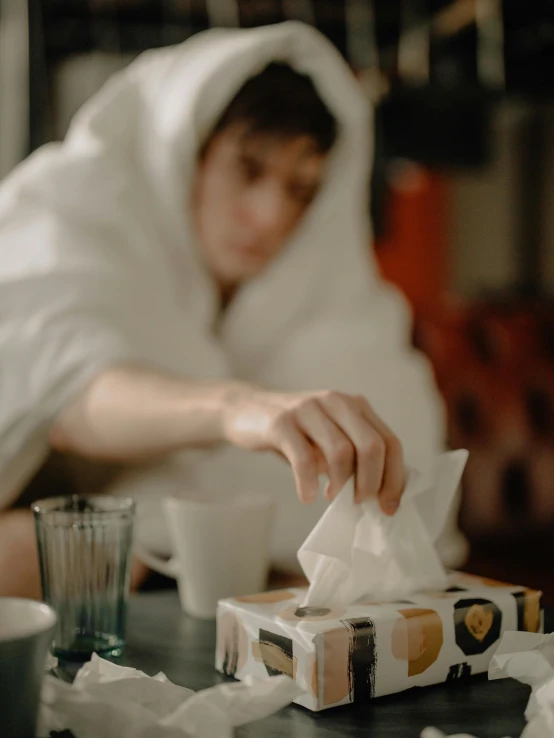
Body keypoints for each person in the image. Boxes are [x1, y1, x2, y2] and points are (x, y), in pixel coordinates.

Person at [0, 22, 464, 599]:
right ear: (183, 152)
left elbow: (406, 477)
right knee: (60, 545)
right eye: (248, 169)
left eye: (300, 189)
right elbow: (69, 395)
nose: (271, 216)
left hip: (162, 583)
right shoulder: (70, 219)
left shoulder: (315, 286)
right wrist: (238, 406)